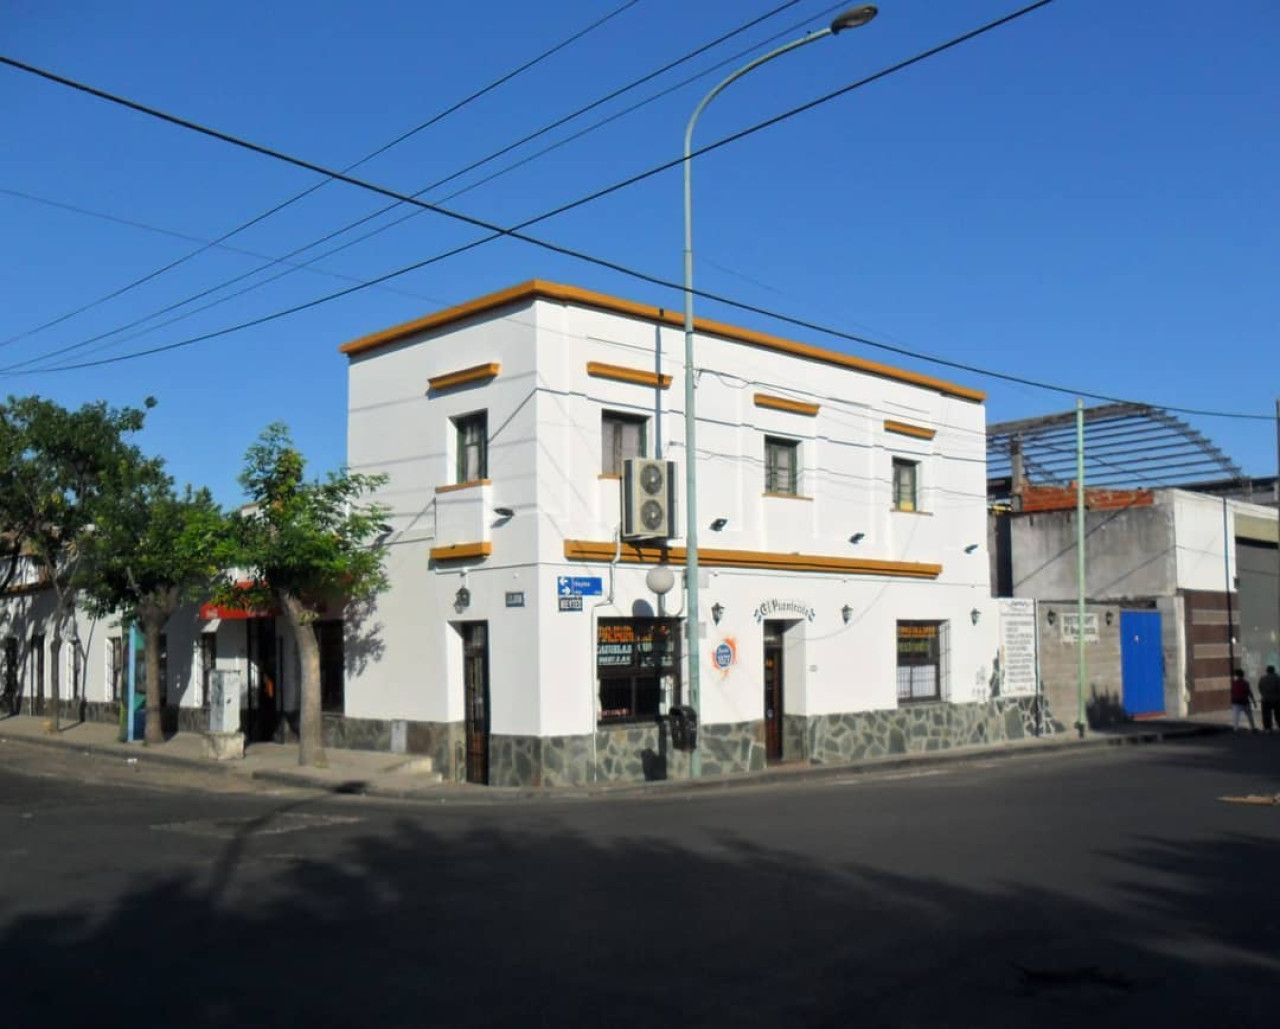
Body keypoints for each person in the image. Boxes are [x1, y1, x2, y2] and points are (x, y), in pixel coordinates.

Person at [1229, 668, 1256, 732]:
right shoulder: (1245, 683)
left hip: (1236, 701)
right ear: (1242, 675)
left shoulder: (1234, 683)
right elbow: (1249, 692)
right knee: (1249, 715)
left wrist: (1231, 701)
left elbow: (1232, 692)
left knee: (1236, 716)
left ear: (1236, 675)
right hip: (1244, 701)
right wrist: (1254, 701)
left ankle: (1235, 728)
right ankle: (1252, 727)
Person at [1258, 665, 1280, 733]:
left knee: (1266, 714)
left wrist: (1263, 694)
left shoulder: (1262, 678)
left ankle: (1268, 728)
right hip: (1276, 699)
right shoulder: (1277, 678)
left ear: (1267, 671)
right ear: (1274, 670)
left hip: (1265, 699)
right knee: (1278, 714)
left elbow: (1260, 688)